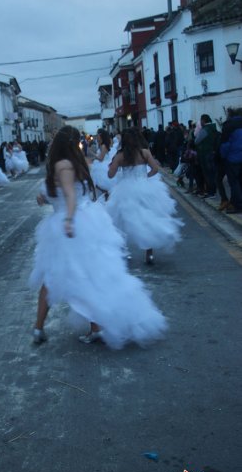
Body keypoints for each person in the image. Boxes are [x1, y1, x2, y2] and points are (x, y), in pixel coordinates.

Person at [29, 125, 167, 348]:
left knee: (65, 277)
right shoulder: (76, 164)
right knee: (79, 275)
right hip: (82, 223)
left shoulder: (64, 165)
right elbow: (69, 191)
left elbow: (71, 195)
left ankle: (42, 327)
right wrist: (45, 197)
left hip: (71, 226)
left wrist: (68, 219)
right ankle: (47, 327)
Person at [107, 128, 183, 264]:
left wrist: (112, 166)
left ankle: (126, 251)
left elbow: (110, 175)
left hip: (125, 190)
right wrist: (144, 177)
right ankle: (149, 253)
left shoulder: (120, 156)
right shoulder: (144, 153)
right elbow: (155, 169)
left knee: (122, 220)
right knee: (147, 218)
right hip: (145, 188)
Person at [220, 107, 242, 214]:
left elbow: (225, 145)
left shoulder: (228, 125)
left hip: (233, 159)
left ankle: (238, 205)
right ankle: (235, 202)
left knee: (234, 182)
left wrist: (223, 156)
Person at [194, 114, 218, 198]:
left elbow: (196, 140)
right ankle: (213, 191)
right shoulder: (213, 128)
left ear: (203, 120)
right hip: (211, 152)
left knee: (207, 173)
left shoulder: (205, 129)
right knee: (211, 173)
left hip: (205, 153)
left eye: (201, 120)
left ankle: (211, 192)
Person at [90, 128, 118, 198]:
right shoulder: (103, 145)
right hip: (102, 164)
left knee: (99, 183)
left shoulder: (103, 146)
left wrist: (92, 154)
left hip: (102, 166)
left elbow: (101, 158)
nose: (96, 137)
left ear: (101, 136)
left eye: (98, 135)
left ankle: (104, 195)